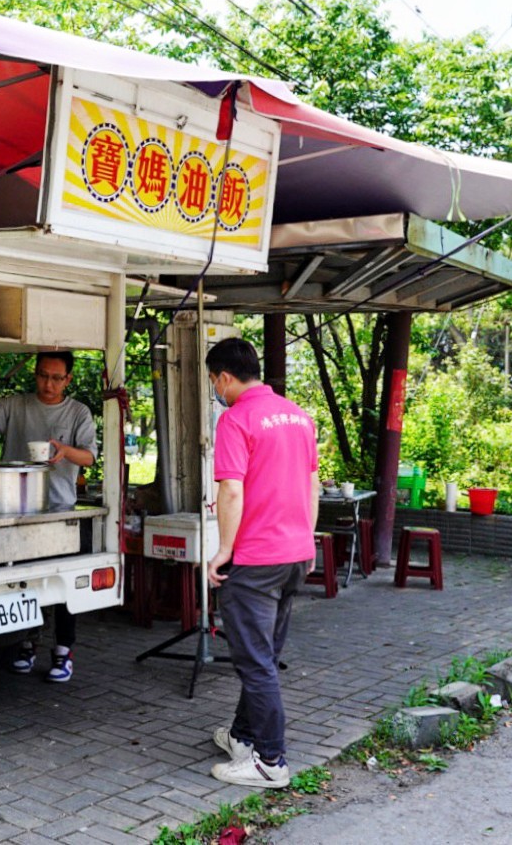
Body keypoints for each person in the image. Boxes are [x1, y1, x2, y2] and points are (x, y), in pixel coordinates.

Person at [204, 337, 318, 788]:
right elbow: (311, 485)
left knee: (255, 663)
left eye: (214, 381)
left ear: (225, 377)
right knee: (265, 655)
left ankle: (270, 762)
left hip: (256, 559)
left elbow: (231, 490)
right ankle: (242, 736)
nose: (216, 389)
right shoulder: (298, 416)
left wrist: (223, 551)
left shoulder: (236, 419)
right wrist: (307, 542)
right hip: (294, 554)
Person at [0, 350, 97, 682]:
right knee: (20, 582)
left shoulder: (78, 412)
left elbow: (90, 457)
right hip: (16, 511)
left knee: (63, 583)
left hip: (59, 509)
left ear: (68, 379)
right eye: (42, 375)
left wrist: (66, 452)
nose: (48, 384)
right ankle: (26, 643)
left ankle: (64, 652)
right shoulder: (16, 405)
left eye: (56, 378)